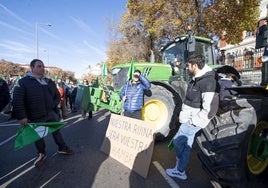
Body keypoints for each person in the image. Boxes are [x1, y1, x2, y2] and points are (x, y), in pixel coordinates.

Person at [166, 54, 219, 180]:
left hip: (192, 122)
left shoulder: (208, 82)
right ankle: (180, 170)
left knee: (178, 142)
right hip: (188, 120)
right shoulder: (197, 78)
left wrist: (191, 122)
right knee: (187, 146)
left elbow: (210, 110)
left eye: (188, 66)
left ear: (195, 66)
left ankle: (180, 165)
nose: (186, 68)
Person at [12, 59, 74, 167]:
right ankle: (42, 154)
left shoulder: (49, 81)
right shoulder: (23, 82)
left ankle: (62, 148)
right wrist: (22, 117)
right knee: (38, 136)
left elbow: (57, 96)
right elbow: (17, 101)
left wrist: (53, 105)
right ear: (32, 68)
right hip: (35, 116)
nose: (42, 68)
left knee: (57, 132)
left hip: (51, 114)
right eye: (39, 66)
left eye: (43, 66)